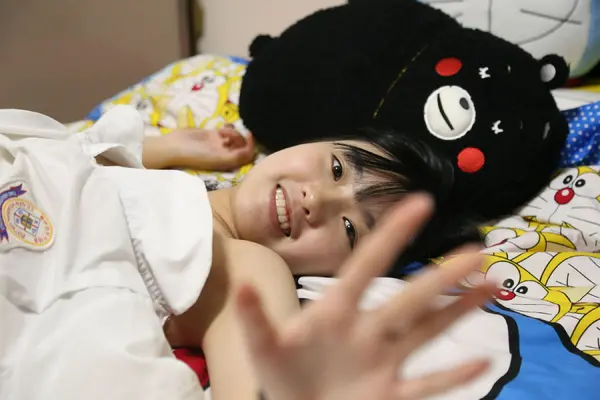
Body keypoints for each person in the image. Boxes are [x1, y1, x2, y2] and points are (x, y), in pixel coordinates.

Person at [0, 106, 493, 400]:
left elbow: (264, 382)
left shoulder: (246, 267)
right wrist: (171, 146)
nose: (316, 199)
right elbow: (81, 150)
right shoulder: (137, 167)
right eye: (337, 169)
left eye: (350, 228)